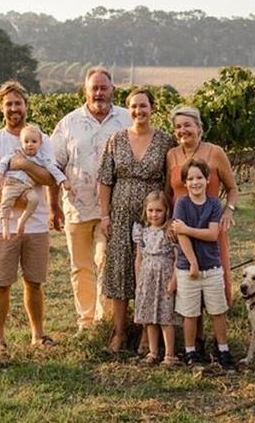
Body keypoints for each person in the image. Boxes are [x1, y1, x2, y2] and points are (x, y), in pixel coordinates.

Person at [0, 80, 57, 349]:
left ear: (26, 106)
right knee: (1, 283)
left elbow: (48, 178)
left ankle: (37, 335)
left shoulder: (42, 140)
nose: (14, 108)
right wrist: (14, 203)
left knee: (34, 282)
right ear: (1, 108)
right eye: (8, 104)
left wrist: (22, 163)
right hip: (2, 225)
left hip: (36, 225)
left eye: (18, 103)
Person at [50, 67, 132, 333]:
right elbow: (54, 165)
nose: (99, 93)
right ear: (85, 91)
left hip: (115, 208)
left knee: (106, 262)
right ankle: (85, 321)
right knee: (80, 267)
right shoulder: (68, 123)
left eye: (103, 88)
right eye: (94, 88)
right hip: (76, 208)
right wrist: (53, 206)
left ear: (112, 90)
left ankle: (103, 320)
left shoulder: (126, 119)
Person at [98, 87, 175, 352]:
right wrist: (105, 215)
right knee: (120, 270)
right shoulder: (116, 139)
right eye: (133, 106)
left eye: (143, 106)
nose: (138, 111)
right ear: (127, 109)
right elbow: (105, 180)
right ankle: (119, 333)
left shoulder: (165, 141)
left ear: (152, 108)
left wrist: (167, 218)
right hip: (120, 215)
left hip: (153, 216)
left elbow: (169, 181)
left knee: (150, 271)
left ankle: (146, 334)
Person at [166, 105, 240, 353]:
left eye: (188, 125)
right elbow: (169, 193)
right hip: (181, 228)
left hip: (210, 227)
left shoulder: (215, 152)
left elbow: (232, 188)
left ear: (199, 127)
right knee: (188, 280)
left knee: (214, 281)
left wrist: (229, 210)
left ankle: (218, 344)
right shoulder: (172, 155)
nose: (183, 130)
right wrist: (168, 222)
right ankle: (194, 344)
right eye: (178, 126)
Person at [172, 158, 236, 373]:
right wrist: (192, 263)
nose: (195, 182)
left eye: (199, 177)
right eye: (190, 179)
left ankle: (223, 349)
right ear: (184, 182)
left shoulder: (213, 204)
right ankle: (190, 351)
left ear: (208, 180)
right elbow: (181, 238)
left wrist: (186, 229)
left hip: (212, 267)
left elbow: (211, 234)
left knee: (217, 311)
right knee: (190, 313)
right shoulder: (181, 203)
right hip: (187, 268)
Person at [0, 124, 70, 240]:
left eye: (34, 141)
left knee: (34, 200)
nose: (30, 144)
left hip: (27, 187)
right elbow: (3, 162)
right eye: (26, 141)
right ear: (21, 143)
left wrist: (63, 180)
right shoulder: (16, 153)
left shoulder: (41, 159)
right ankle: (5, 223)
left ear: (40, 144)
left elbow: (54, 170)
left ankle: (23, 220)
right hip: (12, 183)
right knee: (6, 200)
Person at [133, 190, 181, 366]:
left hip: (164, 276)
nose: (154, 214)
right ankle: (153, 352)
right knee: (149, 318)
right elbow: (139, 258)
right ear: (146, 211)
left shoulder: (169, 233)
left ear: (166, 211)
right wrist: (139, 281)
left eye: (159, 210)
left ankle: (170, 354)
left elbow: (177, 258)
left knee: (165, 317)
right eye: (151, 210)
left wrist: (174, 279)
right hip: (147, 277)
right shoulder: (142, 232)